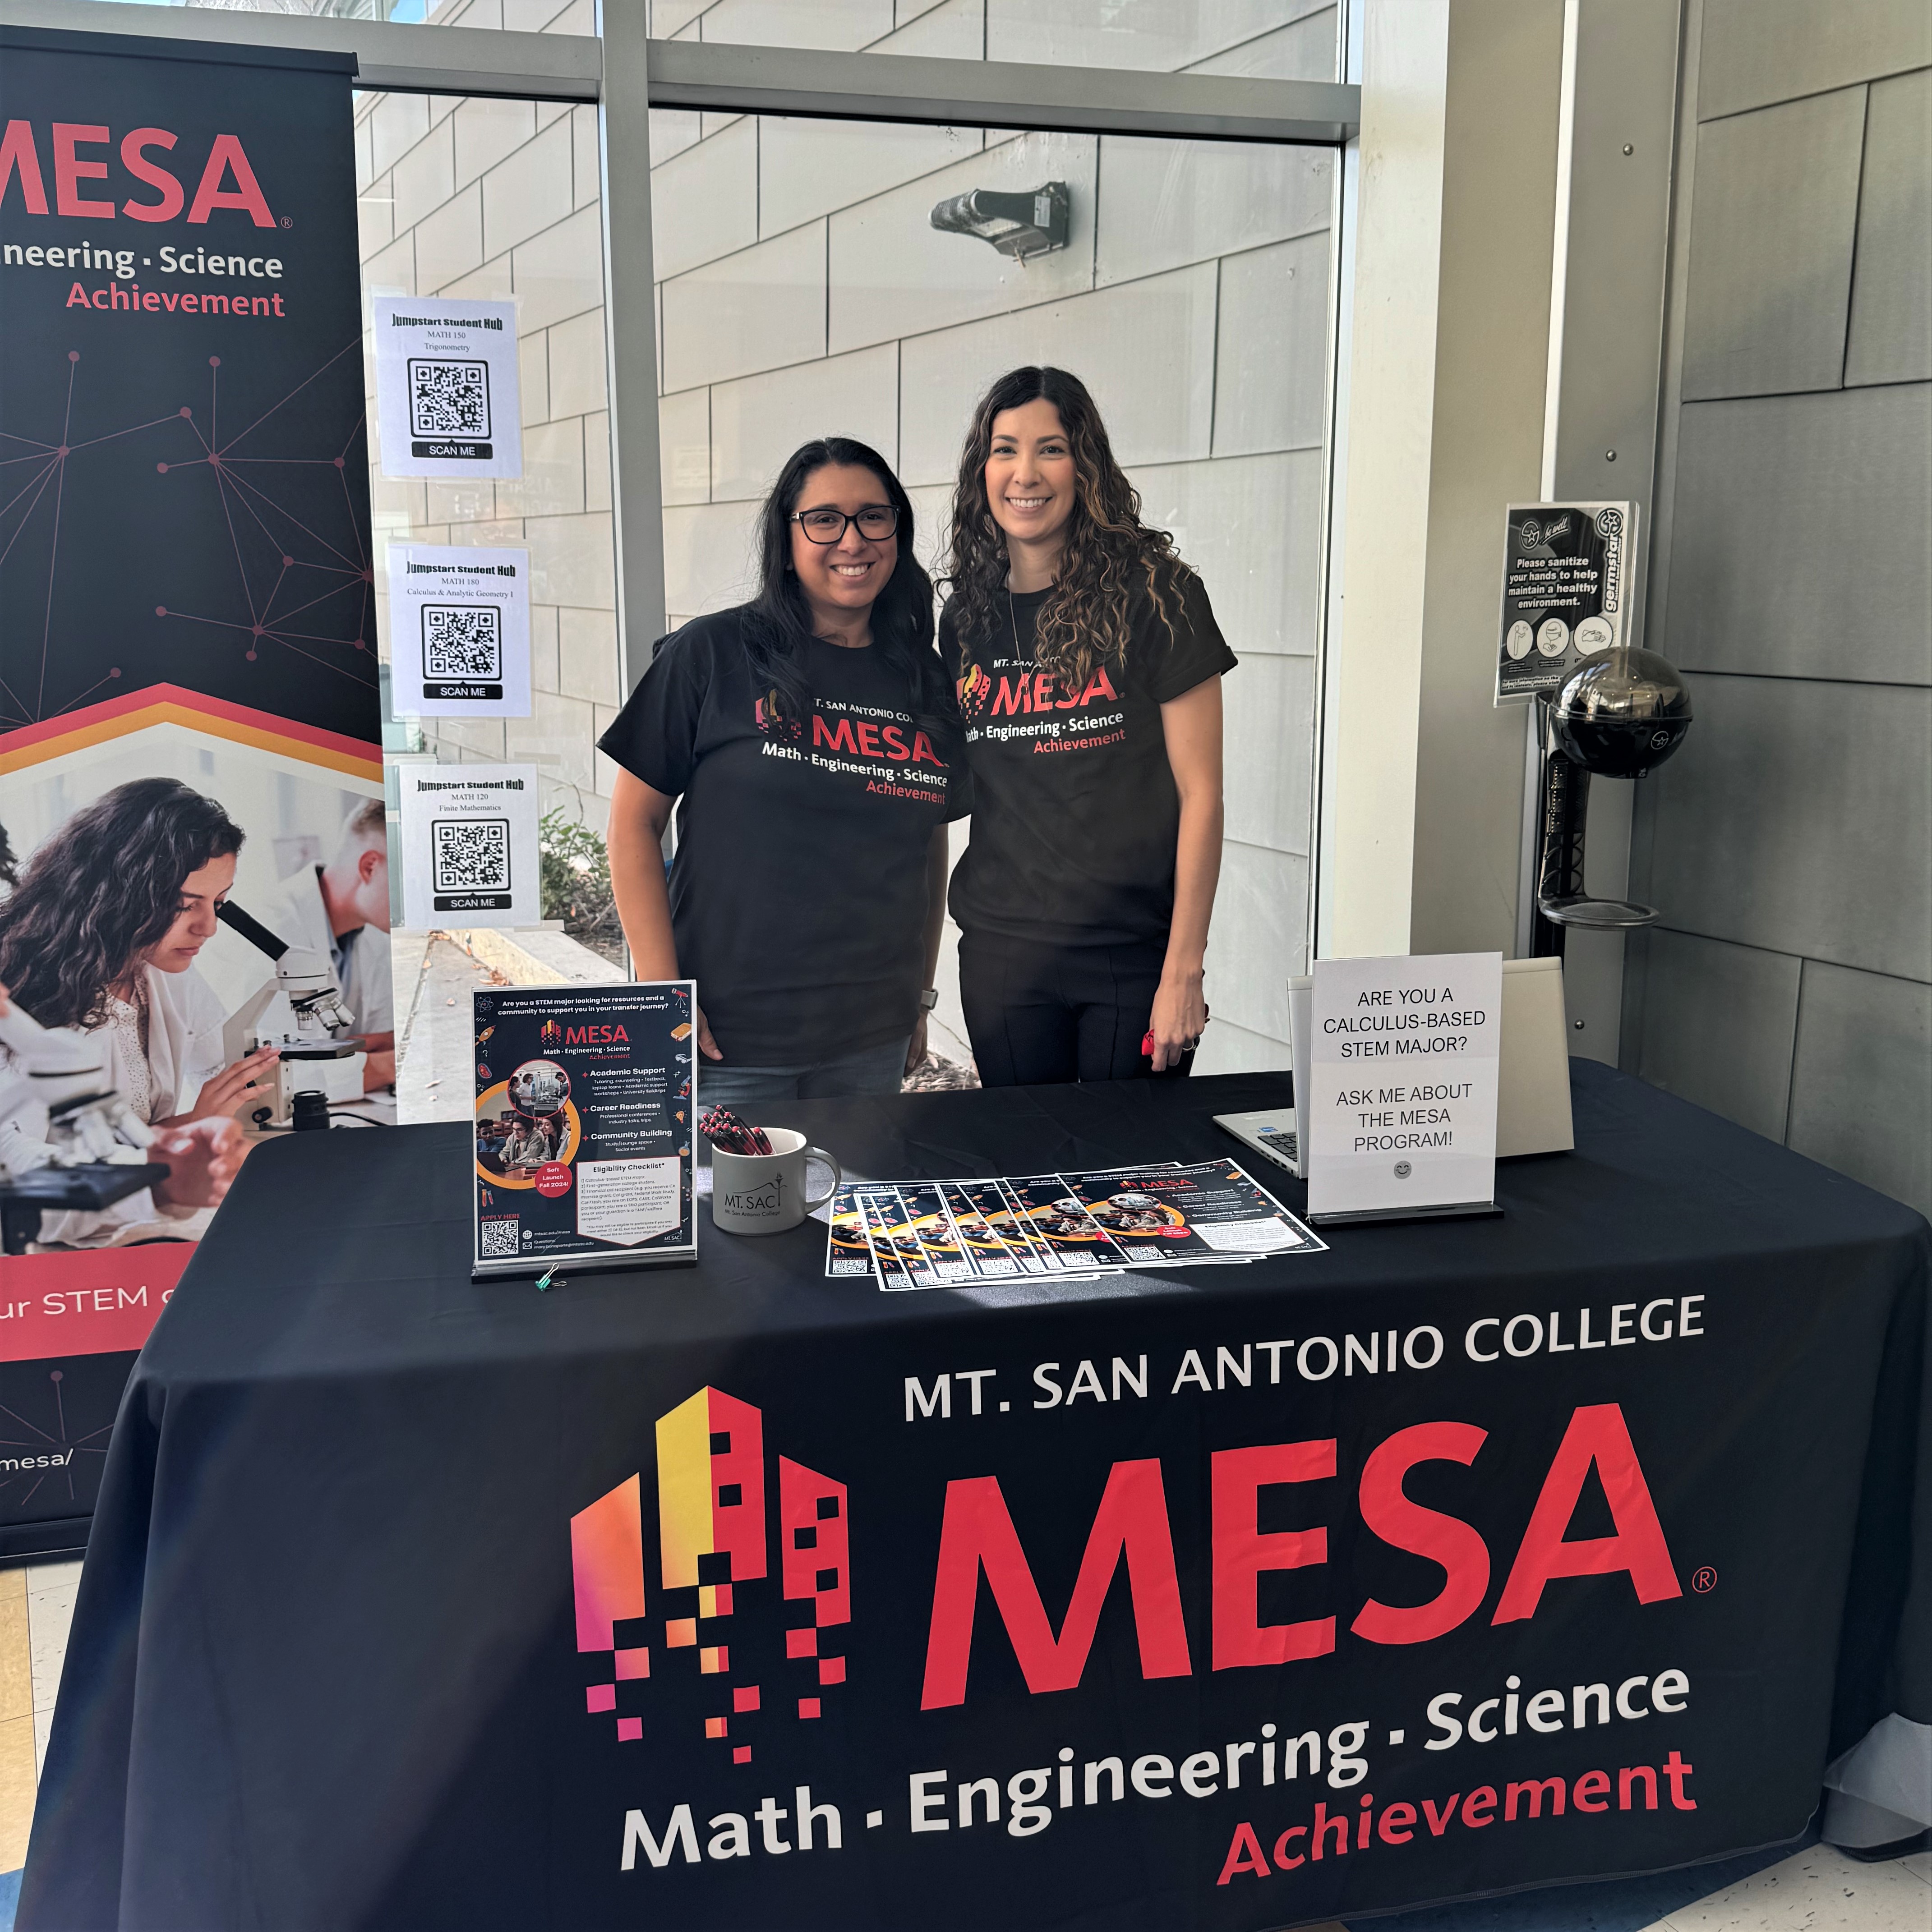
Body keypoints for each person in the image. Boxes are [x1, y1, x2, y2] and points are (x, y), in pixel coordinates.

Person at [601, 437, 969, 1109]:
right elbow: (633, 823)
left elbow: (927, 844)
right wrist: (662, 995)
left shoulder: (924, 679)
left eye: (872, 517)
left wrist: (919, 998)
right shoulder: (711, 653)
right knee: (731, 1217)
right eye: (824, 519)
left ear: (897, 529)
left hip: (869, 1039)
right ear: (788, 538)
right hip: (726, 1041)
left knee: (848, 1213)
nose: (851, 540)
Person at [943, 366, 1235, 1086]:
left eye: (1051, 448)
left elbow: (1202, 795)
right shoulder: (966, 618)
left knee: (1135, 1180)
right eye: (1004, 449)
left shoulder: (1158, 595)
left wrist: (1183, 971)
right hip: (1002, 956)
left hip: (1131, 957)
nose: (1025, 473)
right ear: (982, 470)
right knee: (1028, 1184)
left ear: (1085, 467)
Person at [0, 780, 272, 1242]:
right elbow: (16, 1176)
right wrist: (160, 1176)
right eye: (185, 906)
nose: (208, 928)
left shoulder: (163, 969)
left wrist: (186, 1134)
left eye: (218, 903)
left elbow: (236, 1064)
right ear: (117, 893)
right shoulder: (18, 984)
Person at [252, 797, 395, 1092]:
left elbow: (376, 1040)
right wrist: (395, 1064)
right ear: (369, 867)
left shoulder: (371, 936)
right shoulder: (269, 932)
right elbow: (277, 1076)